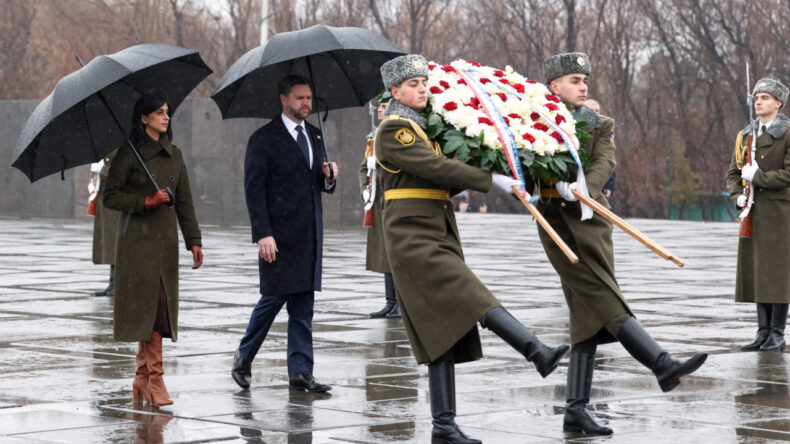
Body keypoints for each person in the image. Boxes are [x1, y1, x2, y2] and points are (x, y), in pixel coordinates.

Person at [375, 54, 569, 444]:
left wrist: (495, 174)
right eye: (412, 85)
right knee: (472, 296)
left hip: (434, 227)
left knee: (440, 330)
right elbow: (437, 168)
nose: (422, 89)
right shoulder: (395, 129)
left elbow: (442, 182)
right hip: (413, 234)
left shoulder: (420, 128)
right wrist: (489, 178)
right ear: (395, 92)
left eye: (423, 83)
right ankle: (535, 351)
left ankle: (444, 426)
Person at [537, 52, 707, 435]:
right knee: (599, 293)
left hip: (593, 219)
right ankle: (660, 363)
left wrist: (583, 188)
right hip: (557, 222)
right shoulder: (535, 120)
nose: (583, 86)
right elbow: (525, 161)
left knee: (587, 310)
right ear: (554, 87)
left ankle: (576, 408)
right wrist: (551, 183)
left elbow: (604, 162)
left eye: (585, 80)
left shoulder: (601, 123)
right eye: (575, 80)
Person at [232, 75, 339, 393]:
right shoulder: (263, 138)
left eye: (308, 98)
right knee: (273, 299)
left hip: (309, 235)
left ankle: (301, 371)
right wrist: (263, 233)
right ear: (283, 99)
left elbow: (318, 185)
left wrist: (329, 177)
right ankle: (243, 357)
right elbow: (254, 189)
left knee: (304, 306)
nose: (306, 103)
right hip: (277, 236)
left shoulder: (316, 136)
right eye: (299, 98)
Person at [103, 93, 203, 406]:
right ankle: (155, 379)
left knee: (157, 310)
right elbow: (110, 196)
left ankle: (141, 376)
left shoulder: (174, 154)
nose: (165, 117)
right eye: (159, 112)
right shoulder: (126, 155)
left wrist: (194, 240)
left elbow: (184, 200)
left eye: (167, 112)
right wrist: (145, 202)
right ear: (144, 118)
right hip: (137, 244)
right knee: (154, 310)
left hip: (165, 244)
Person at [726, 77, 790, 353]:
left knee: (778, 274)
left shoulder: (787, 133)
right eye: (756, 98)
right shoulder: (746, 135)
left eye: (764, 98)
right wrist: (736, 194)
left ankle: (777, 332)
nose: (758, 102)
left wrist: (759, 177)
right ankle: (763, 331)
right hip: (753, 212)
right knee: (758, 273)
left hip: (780, 213)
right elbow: (732, 173)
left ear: (778, 103)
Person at [359, 93, 401, 318]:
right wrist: (366, 191)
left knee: (395, 254)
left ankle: (400, 304)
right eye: (379, 107)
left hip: (393, 199)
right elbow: (363, 168)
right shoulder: (373, 138)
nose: (380, 110)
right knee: (384, 253)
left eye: (385, 106)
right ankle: (390, 301)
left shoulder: (398, 134)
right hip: (378, 199)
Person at [89, 150, 120, 297]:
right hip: (105, 199)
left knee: (115, 245)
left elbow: (119, 172)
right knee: (109, 245)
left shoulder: (120, 145)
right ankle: (112, 283)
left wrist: (103, 170)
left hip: (114, 200)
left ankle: (117, 284)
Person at [584, 99, 615, 199]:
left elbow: (607, 158)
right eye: (591, 110)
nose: (594, 113)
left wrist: (609, 185)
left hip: (595, 184)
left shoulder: (605, 128)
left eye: (597, 111)